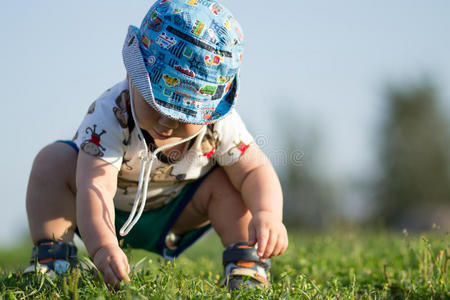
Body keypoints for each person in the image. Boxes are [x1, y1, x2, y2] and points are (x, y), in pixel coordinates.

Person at [24, 0, 288, 290]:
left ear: (211, 111)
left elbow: (255, 172)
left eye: (184, 116)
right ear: (132, 76)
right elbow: (94, 188)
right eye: (155, 104)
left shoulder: (219, 124)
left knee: (232, 179)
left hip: (176, 211)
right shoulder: (111, 114)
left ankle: (246, 262)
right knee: (53, 161)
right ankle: (54, 260)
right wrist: (101, 246)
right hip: (104, 210)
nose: (167, 123)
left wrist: (268, 214)